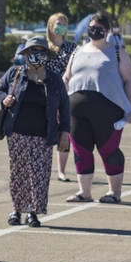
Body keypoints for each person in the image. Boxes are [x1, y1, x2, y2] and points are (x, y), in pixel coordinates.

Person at [62, 11, 131, 204]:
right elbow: (66, 78)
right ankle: (84, 193)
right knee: (81, 151)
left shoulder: (117, 51)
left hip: (108, 112)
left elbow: (130, 79)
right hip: (76, 112)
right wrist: (59, 105)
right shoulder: (77, 51)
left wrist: (130, 108)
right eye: (91, 28)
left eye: (99, 29)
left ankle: (114, 193)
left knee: (109, 151)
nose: (94, 32)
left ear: (108, 30)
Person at [0, 37, 71, 228]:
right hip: (17, 132)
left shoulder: (54, 79)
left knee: (39, 174)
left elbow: (64, 107)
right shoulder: (15, 72)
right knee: (18, 172)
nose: (36, 56)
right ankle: (16, 210)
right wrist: (5, 99)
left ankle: (33, 212)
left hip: (43, 134)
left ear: (46, 56)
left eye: (40, 52)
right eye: (32, 52)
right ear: (26, 54)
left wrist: (65, 133)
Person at [45, 12, 77, 182]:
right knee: (45, 131)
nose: (61, 26)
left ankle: (61, 171)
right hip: (47, 95)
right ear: (50, 26)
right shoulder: (44, 47)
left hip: (67, 95)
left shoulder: (72, 47)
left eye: (64, 23)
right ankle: (43, 167)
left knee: (65, 131)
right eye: (58, 23)